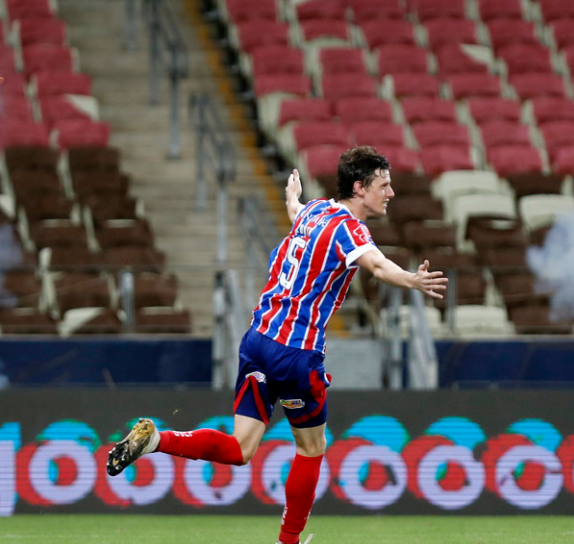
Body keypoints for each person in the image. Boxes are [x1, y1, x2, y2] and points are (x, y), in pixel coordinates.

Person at [106, 146, 448, 544]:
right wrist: (412, 280)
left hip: (257, 340)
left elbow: (295, 211)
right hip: (295, 353)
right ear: (359, 188)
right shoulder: (351, 229)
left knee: (240, 448)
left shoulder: (315, 210)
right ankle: (287, 542)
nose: (390, 193)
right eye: (383, 185)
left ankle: (156, 441)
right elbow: (375, 264)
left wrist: (292, 198)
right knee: (311, 447)